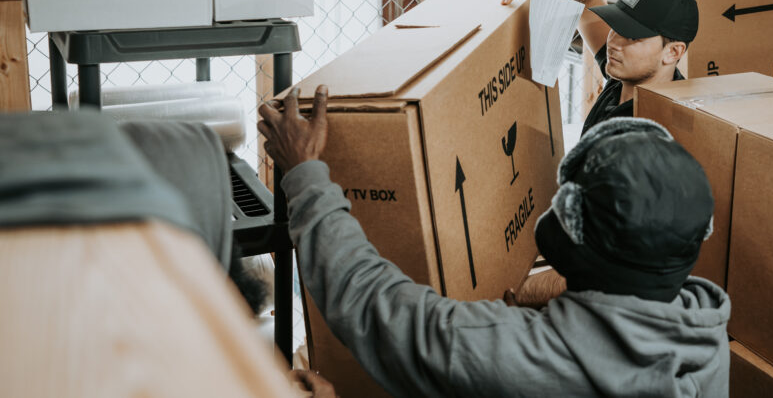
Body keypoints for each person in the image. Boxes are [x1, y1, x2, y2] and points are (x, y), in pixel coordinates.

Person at [258, 86, 730, 397]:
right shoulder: (705, 332)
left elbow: (366, 300)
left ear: (564, 231)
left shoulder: (510, 353)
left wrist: (305, 175)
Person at [501, 0, 699, 134]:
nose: (613, 42)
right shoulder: (628, 76)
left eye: (632, 35)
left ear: (673, 52)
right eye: (616, 25)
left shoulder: (655, 134)